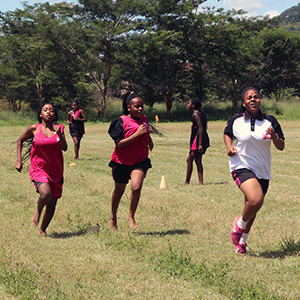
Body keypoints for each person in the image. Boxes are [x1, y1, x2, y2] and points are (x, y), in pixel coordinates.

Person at [224, 87, 285, 254]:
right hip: (241, 165)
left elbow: (281, 146)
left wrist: (274, 137)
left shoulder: (269, 121)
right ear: (244, 103)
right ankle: (238, 226)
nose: (253, 99)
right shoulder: (237, 120)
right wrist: (229, 148)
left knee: (253, 205)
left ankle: (241, 242)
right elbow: (227, 133)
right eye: (249, 97)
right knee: (256, 199)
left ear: (259, 100)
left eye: (256, 97)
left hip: (262, 170)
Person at [15, 103, 68, 236]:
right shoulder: (34, 129)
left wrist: (60, 135)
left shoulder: (59, 128)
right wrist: (19, 161)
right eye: (45, 110)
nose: (48, 112)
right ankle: (38, 211)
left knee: (52, 204)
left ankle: (43, 229)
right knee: (45, 194)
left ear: (54, 114)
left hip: (56, 171)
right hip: (39, 169)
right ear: (40, 114)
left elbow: (65, 148)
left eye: (51, 110)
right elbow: (20, 141)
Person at [108, 92, 154, 230]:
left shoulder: (144, 118)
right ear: (129, 107)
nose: (140, 109)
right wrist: (137, 134)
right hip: (121, 162)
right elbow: (119, 144)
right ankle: (113, 216)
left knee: (136, 187)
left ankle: (131, 216)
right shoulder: (120, 122)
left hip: (139, 160)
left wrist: (149, 140)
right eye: (136, 107)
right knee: (118, 192)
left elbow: (144, 130)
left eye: (142, 106)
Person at [179, 97, 210, 185]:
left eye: (189, 103)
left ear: (193, 105)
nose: (187, 105)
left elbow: (200, 129)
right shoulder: (200, 113)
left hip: (198, 141)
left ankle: (187, 182)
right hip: (203, 139)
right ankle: (200, 182)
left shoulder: (196, 114)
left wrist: (199, 144)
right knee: (198, 160)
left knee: (189, 160)